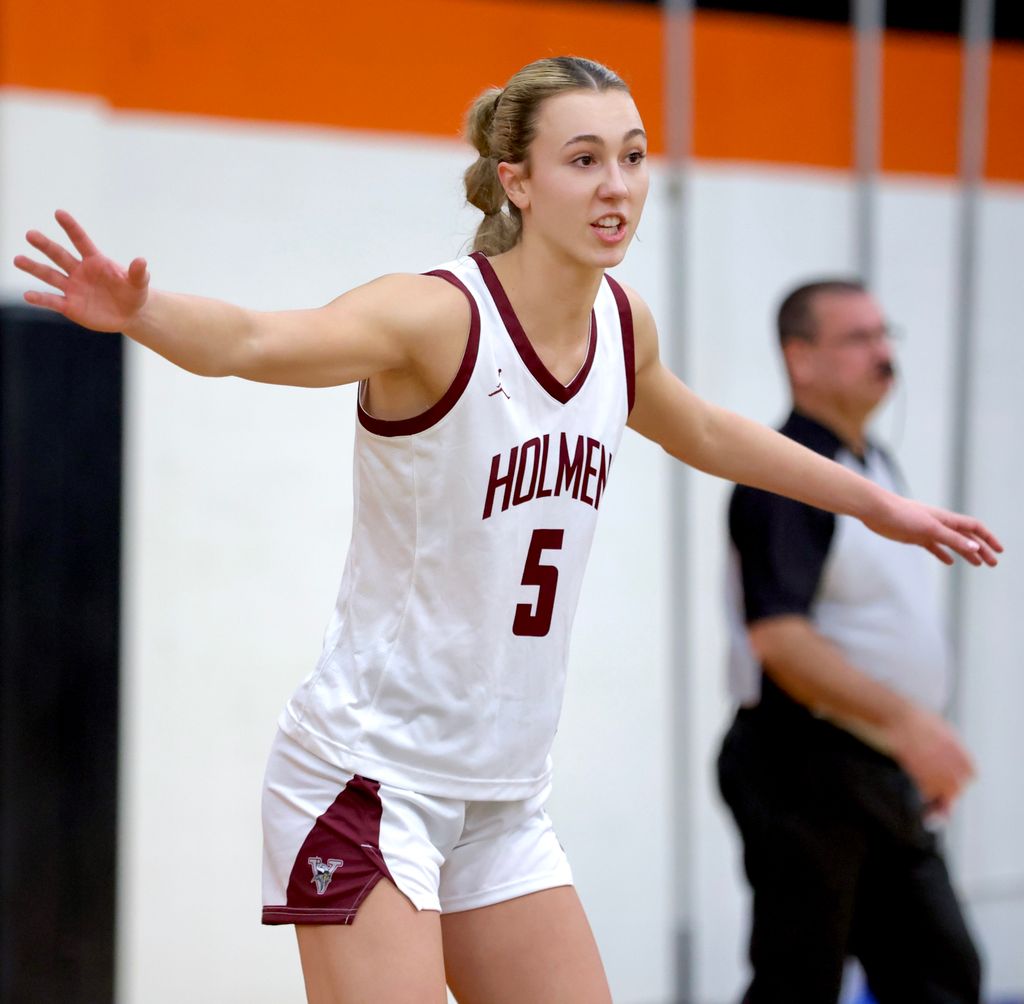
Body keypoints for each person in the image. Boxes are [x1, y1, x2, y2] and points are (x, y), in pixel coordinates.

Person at [14, 58, 999, 1004]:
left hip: (503, 795)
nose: (617, 185)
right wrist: (144, 311)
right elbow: (258, 339)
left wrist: (878, 504)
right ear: (516, 180)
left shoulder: (622, 325)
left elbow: (702, 429)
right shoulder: (435, 316)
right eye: (584, 159)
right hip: (369, 778)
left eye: (632, 155)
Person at [718, 279, 986, 1004]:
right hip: (803, 764)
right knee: (800, 981)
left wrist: (908, 739)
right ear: (800, 358)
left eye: (884, 333)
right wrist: (909, 726)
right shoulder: (787, 473)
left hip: (876, 764)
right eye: (858, 338)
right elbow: (781, 640)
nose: (883, 353)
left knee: (942, 973)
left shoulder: (873, 465)